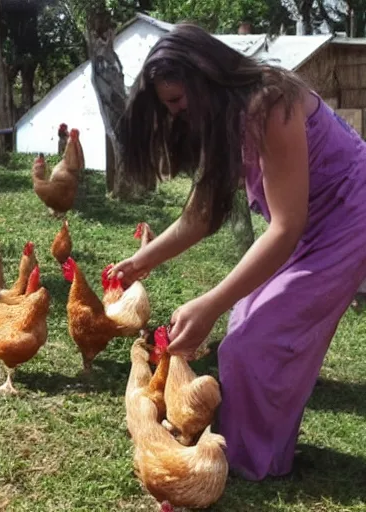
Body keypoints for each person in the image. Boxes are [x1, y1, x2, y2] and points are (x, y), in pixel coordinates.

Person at [112, 23, 366, 481]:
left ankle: (252, 462)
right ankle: (250, 447)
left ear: (204, 78)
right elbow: (201, 215)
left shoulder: (271, 104)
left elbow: (286, 228)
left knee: (258, 341)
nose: (177, 116)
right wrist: (142, 261)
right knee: (243, 326)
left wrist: (211, 301)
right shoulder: (225, 113)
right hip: (307, 224)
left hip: (349, 219)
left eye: (178, 103)